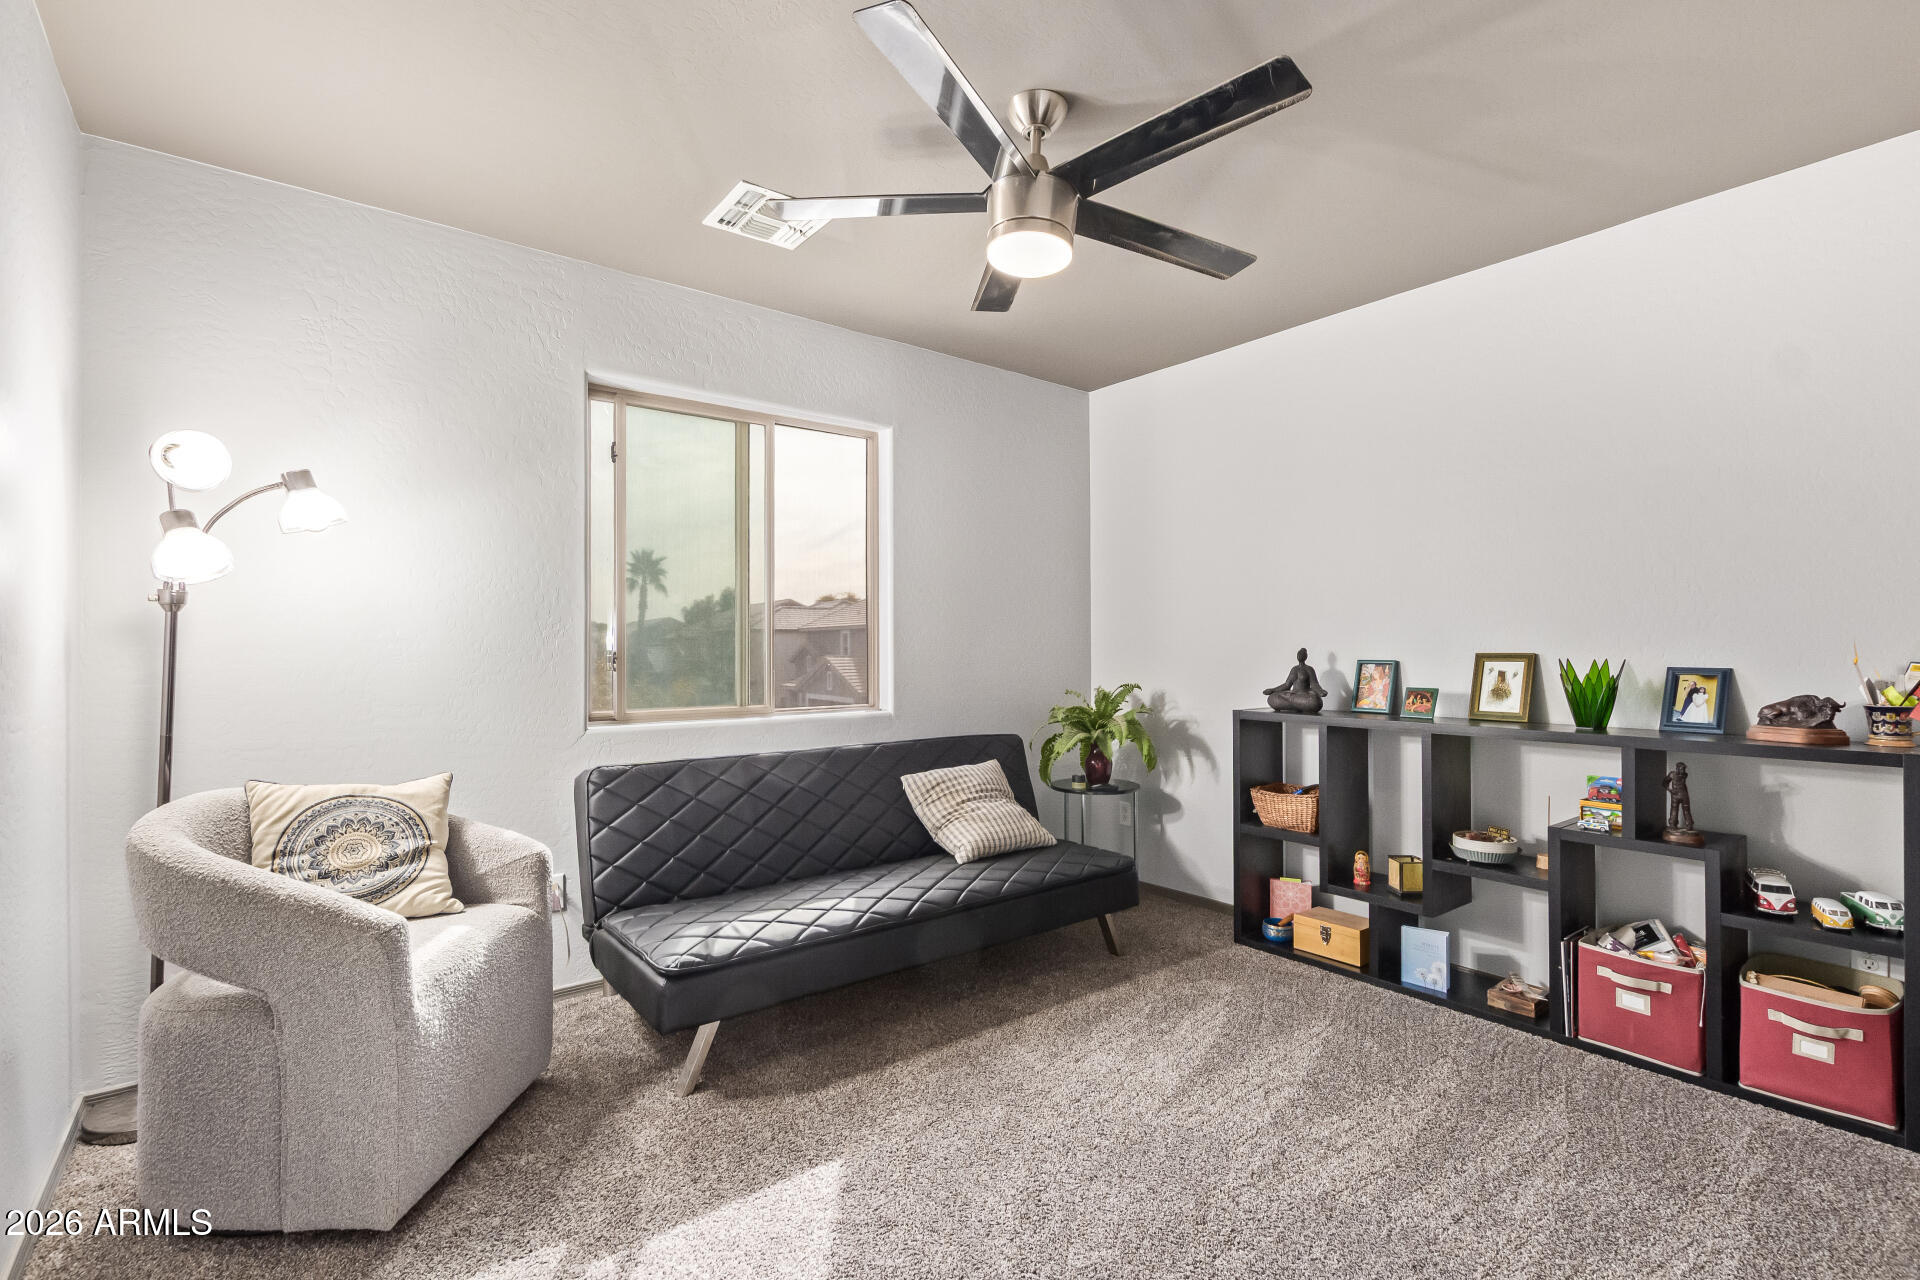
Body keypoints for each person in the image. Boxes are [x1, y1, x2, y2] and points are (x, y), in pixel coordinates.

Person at [1265, 648, 1327, 714]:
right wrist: (1272, 690)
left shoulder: (1309, 669)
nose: (1300, 655)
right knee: (1272, 697)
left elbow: (1314, 684)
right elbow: (1287, 685)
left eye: (1302, 654)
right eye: (1299, 654)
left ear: (1306, 656)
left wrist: (1320, 691)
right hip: (1292, 695)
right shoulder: (1294, 669)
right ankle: (1297, 705)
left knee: (1315, 701)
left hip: (1303, 695)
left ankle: (1294, 705)